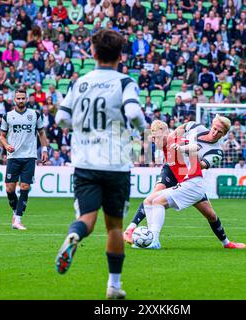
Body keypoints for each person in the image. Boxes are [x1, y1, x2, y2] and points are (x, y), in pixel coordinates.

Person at [54, 29, 146, 300]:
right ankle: (114, 286)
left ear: (93, 53)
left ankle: (73, 237)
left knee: (86, 220)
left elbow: (61, 118)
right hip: (116, 164)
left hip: (85, 163)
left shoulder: (79, 82)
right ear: (121, 56)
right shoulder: (125, 82)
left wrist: (82, 129)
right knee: (114, 226)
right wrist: (145, 131)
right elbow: (133, 112)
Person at [123, 118, 246, 251]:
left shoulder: (216, 152)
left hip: (189, 177)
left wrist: (182, 149)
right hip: (172, 169)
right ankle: (134, 230)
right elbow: (181, 128)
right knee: (152, 199)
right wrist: (170, 141)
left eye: (219, 132)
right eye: (214, 129)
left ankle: (226, 242)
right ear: (211, 125)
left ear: (224, 134)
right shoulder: (196, 128)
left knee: (210, 214)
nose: (215, 133)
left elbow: (199, 165)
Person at [0, 88, 49, 230]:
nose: (21, 100)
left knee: (25, 186)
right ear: (14, 100)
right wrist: (6, 145)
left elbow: (41, 133)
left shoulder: (34, 114)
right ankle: (15, 213)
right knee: (9, 189)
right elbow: (2, 136)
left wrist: (44, 150)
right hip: (13, 157)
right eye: (18, 98)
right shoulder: (7, 116)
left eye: (23, 98)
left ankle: (18, 219)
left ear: (26, 99)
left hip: (29, 156)